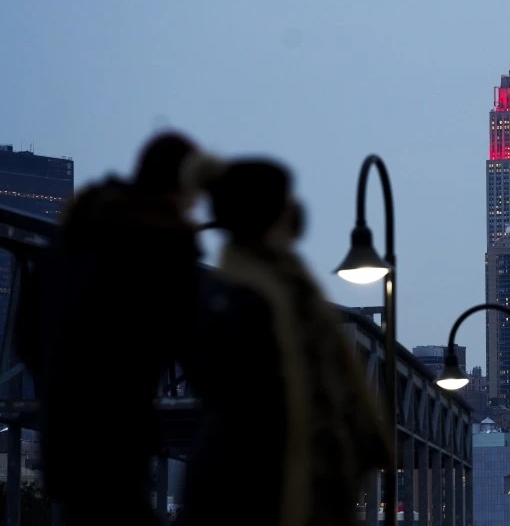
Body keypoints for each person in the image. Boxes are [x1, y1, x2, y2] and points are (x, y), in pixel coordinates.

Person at [14, 131, 222, 526]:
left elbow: (26, 334)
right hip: (117, 433)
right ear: (181, 187)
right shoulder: (161, 243)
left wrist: (60, 383)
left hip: (65, 432)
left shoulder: (78, 230)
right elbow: (196, 347)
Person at [180, 158, 390, 526]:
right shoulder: (244, 300)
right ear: (276, 212)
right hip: (263, 500)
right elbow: (258, 417)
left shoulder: (284, 288)